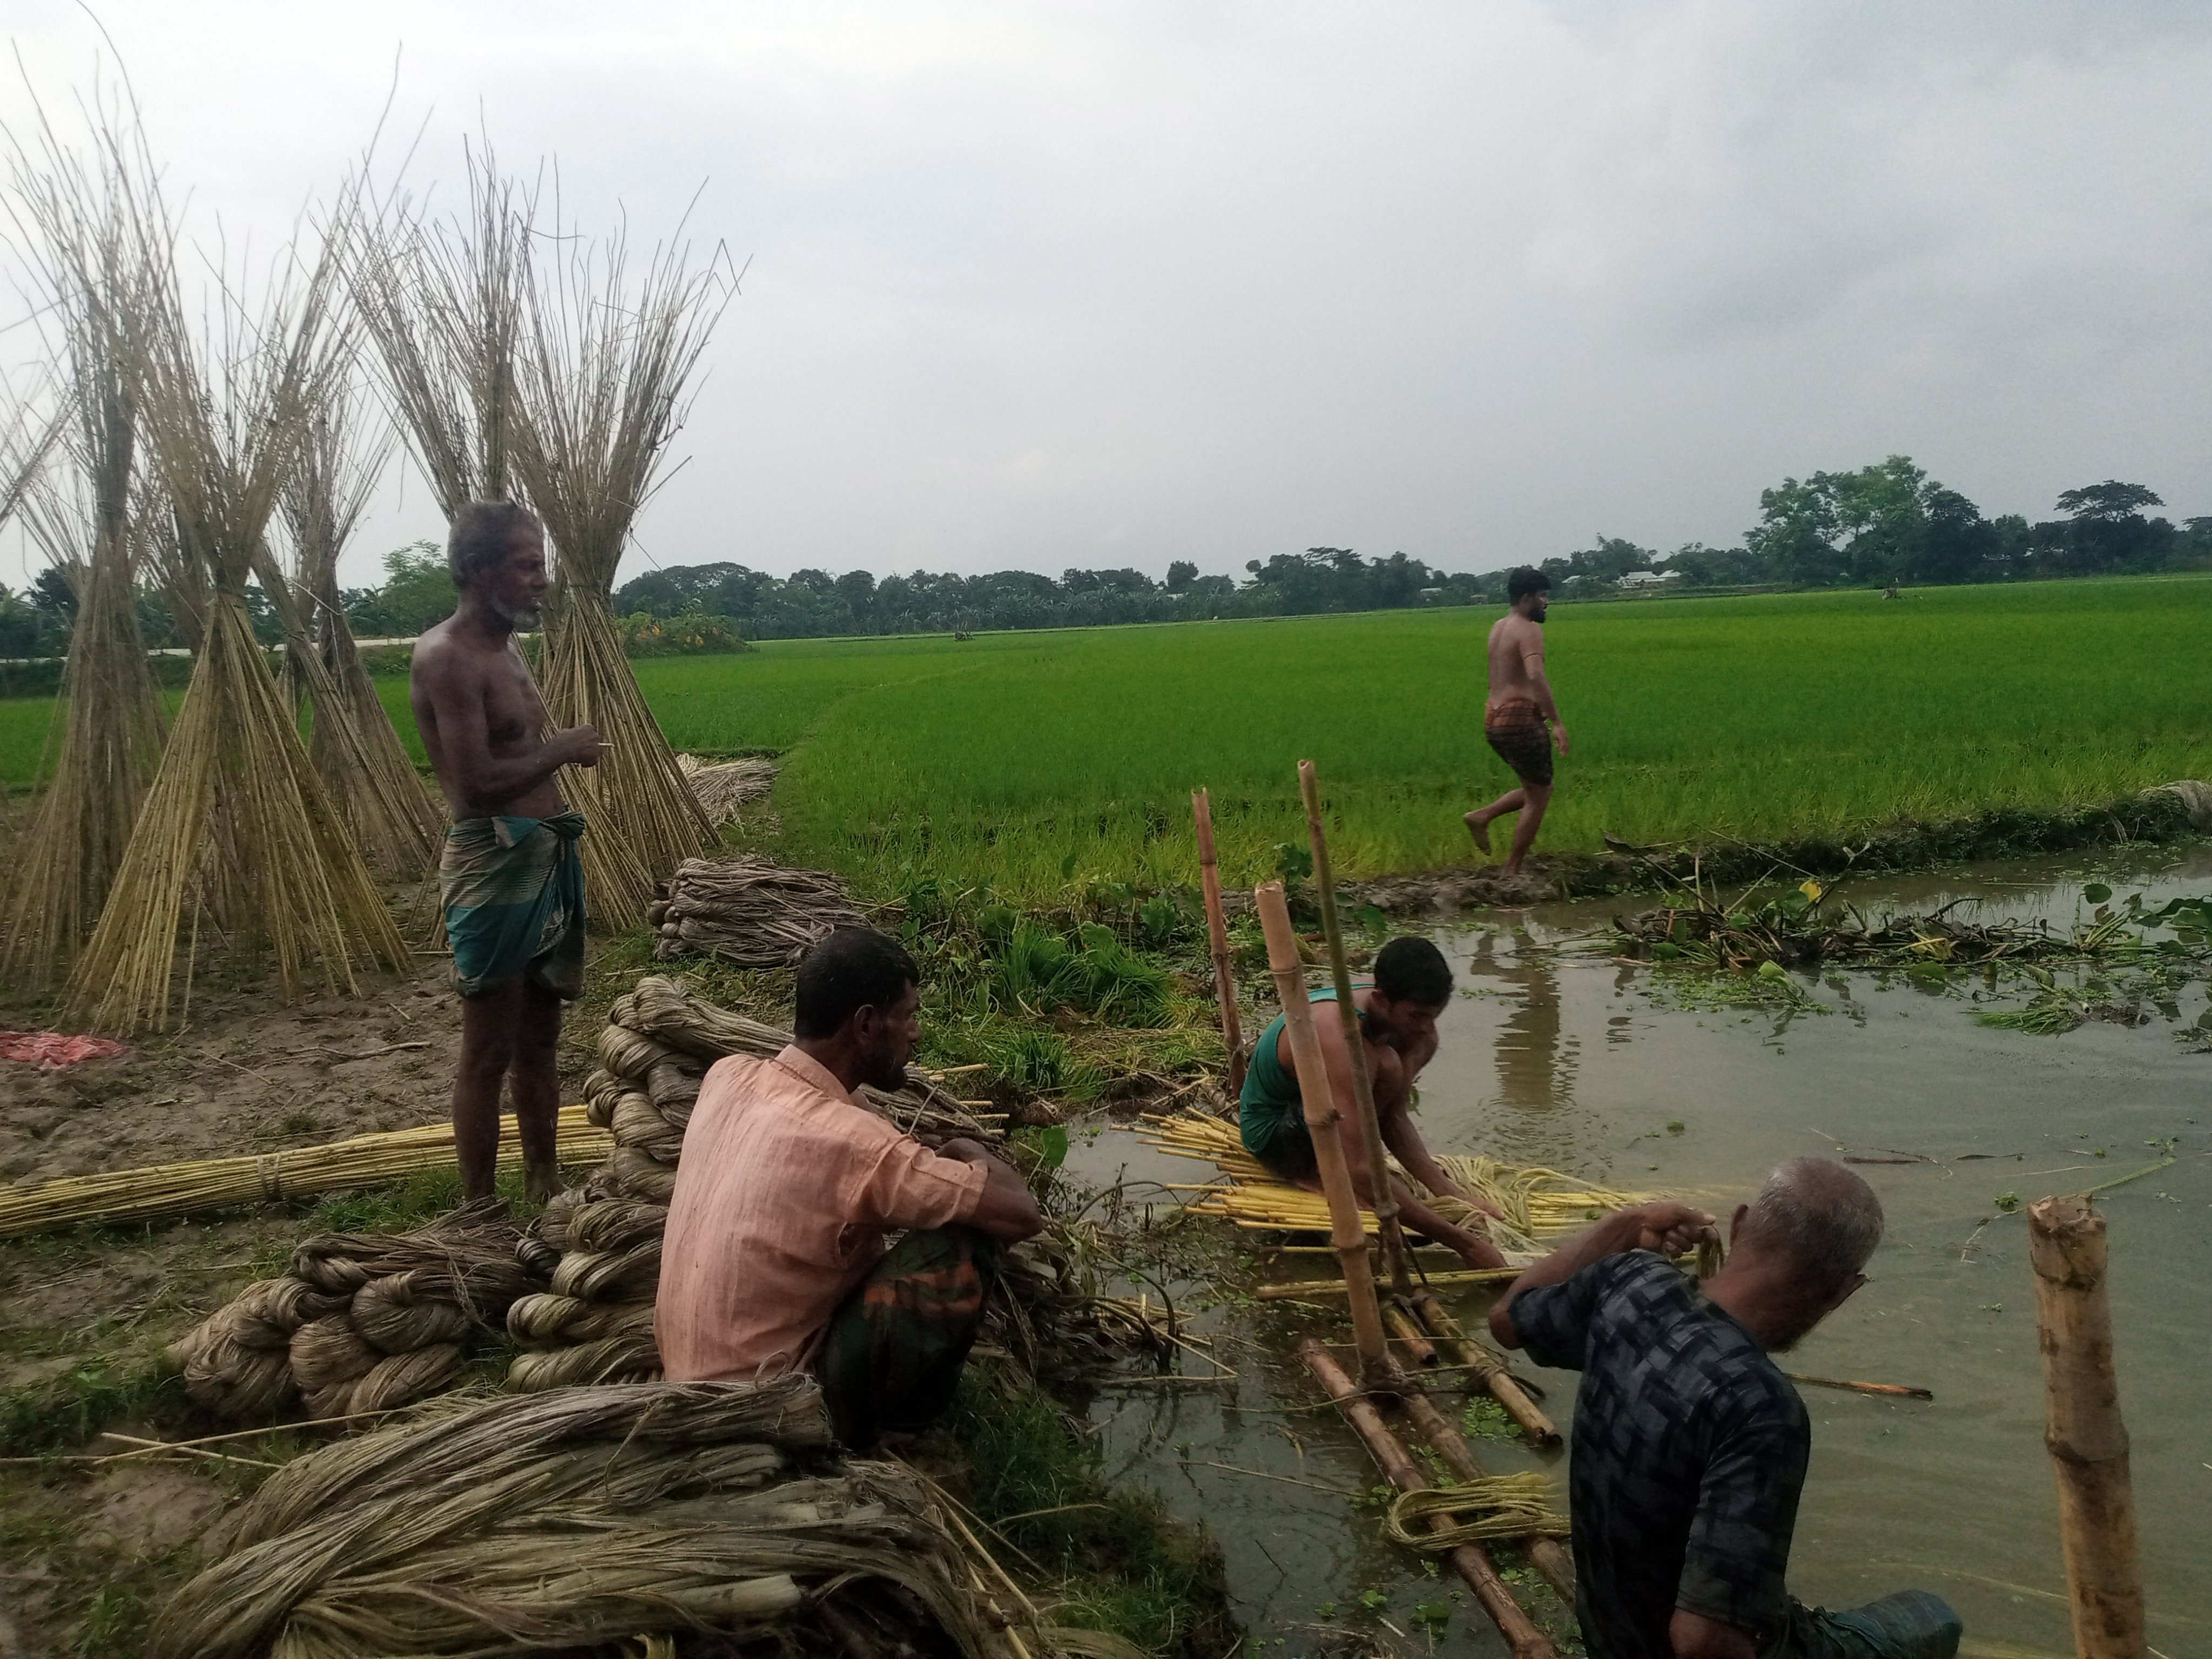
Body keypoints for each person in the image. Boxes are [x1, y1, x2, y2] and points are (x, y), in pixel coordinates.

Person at [1488, 1159, 1963, 1659]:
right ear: (1843, 1291)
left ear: (1737, 1227)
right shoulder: (1760, 1406)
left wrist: (1623, 1226)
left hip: (1611, 1633)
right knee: (1933, 1619)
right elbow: (1704, 1643)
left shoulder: (1628, 1281)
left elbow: (1506, 1319)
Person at [656, 927, 1045, 1448]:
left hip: (682, 1377)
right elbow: (1021, 1214)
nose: (916, 1034)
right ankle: (895, 1432)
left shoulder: (727, 1075)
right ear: (866, 1023)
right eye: (909, 1016)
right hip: (769, 1406)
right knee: (962, 1244)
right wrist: (970, 1150)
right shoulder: (855, 1145)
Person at [409, 501, 603, 1204]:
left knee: (542, 1039)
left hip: (545, 862)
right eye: (528, 565)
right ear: (479, 570)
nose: (541, 580)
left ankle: (547, 1179)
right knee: (488, 1048)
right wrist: (564, 749)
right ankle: (479, 1205)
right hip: (493, 869)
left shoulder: (508, 649)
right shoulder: (447, 658)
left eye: (541, 564)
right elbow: (476, 783)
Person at [1238, 936, 1507, 1269]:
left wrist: (1449, 1193)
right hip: (1276, 1133)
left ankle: (1344, 1161)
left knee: (1389, 1064)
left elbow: (1393, 1116)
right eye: (1417, 1016)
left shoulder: (1412, 1031)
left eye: (1434, 1016)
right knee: (1379, 1063)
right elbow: (1361, 1169)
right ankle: (1313, 1174)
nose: (1426, 1029)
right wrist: (1466, 1245)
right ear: (1381, 1001)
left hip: (1332, 1116)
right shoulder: (1334, 1033)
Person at [1466, 566, 1568, 876]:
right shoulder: (1529, 629)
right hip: (1519, 716)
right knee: (1539, 797)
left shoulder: (1498, 627)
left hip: (1494, 716)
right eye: (1542, 596)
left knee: (1536, 788)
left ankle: (1482, 816)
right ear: (1526, 598)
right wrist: (1557, 722)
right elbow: (1535, 675)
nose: (1546, 602)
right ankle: (1512, 871)